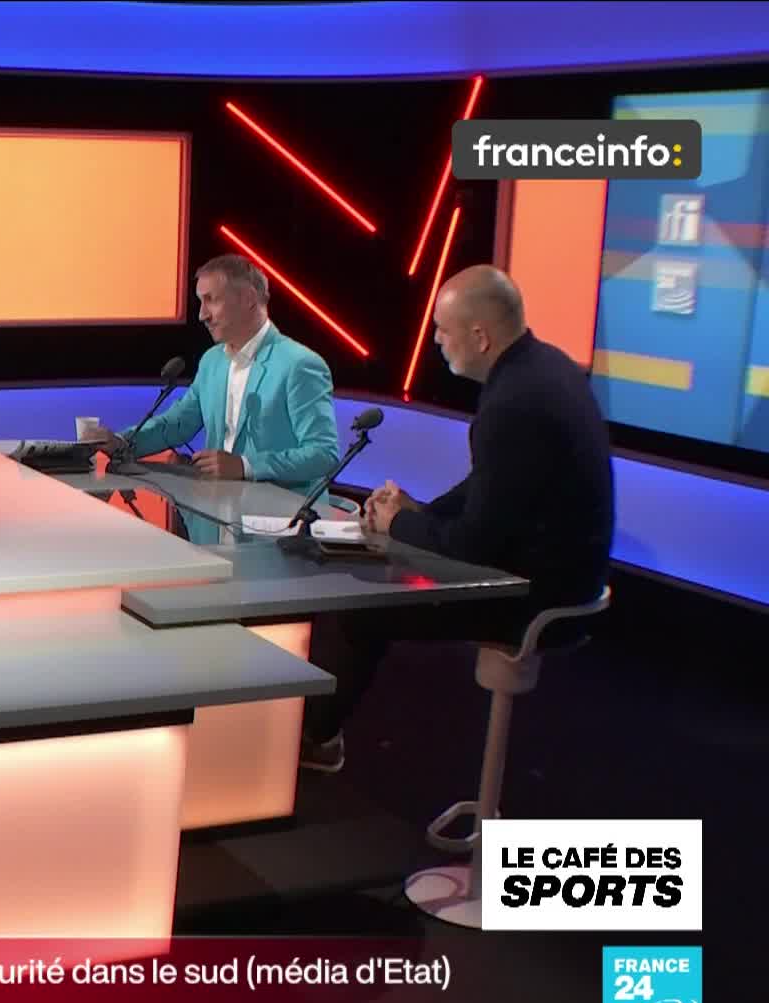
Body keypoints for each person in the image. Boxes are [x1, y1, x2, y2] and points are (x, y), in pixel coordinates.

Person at [299, 265, 615, 772]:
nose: (436, 341)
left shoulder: (512, 404)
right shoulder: (543, 368)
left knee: (359, 605)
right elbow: (491, 484)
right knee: (394, 564)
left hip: (536, 594)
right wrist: (418, 511)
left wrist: (399, 525)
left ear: (480, 336)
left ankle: (317, 740)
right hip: (566, 573)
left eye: (443, 331)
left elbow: (474, 547)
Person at [111, 254, 339, 494]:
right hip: (218, 508)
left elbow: (323, 453)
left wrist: (245, 466)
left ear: (248, 299)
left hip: (281, 512)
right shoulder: (212, 361)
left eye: (210, 300)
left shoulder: (299, 365)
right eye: (200, 302)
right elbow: (178, 423)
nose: (202, 315)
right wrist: (122, 443)